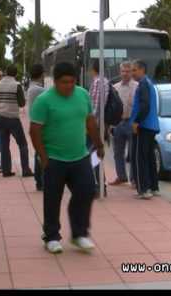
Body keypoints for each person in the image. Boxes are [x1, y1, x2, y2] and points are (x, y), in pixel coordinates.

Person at [29, 62, 104, 254]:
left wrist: (99, 144)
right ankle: (52, 237)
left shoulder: (82, 94)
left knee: (86, 192)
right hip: (54, 158)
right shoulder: (44, 101)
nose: (69, 86)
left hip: (80, 156)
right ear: (55, 82)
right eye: (64, 82)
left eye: (72, 82)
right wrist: (43, 157)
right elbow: (34, 131)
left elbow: (89, 121)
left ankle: (79, 234)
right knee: (52, 198)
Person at [129, 59, 161, 200]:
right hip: (151, 125)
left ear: (142, 70)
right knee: (149, 157)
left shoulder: (143, 85)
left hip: (144, 126)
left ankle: (143, 188)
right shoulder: (149, 83)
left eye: (134, 70)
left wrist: (136, 121)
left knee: (139, 158)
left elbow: (145, 105)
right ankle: (153, 187)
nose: (132, 73)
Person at [0, 64, 34, 177]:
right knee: (23, 144)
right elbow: (22, 103)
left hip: (1, 117)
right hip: (13, 118)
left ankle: (6, 171)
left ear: (6, 72)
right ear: (16, 74)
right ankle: (26, 169)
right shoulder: (16, 85)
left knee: (4, 145)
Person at [110, 61, 138, 186]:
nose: (125, 73)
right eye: (123, 71)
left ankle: (134, 179)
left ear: (132, 72)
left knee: (133, 153)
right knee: (117, 153)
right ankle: (121, 177)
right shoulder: (115, 87)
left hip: (132, 122)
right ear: (120, 72)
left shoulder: (137, 86)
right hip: (118, 123)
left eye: (128, 71)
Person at [88, 59, 109, 198]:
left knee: (93, 154)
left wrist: (88, 123)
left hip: (95, 125)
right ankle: (101, 184)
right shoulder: (106, 81)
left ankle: (99, 185)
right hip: (102, 123)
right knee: (96, 154)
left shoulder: (97, 82)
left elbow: (94, 107)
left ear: (93, 69)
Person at [27, 63, 46, 191]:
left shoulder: (31, 87)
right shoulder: (39, 90)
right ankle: (42, 180)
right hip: (42, 124)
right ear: (41, 75)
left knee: (38, 151)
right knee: (42, 152)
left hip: (35, 123)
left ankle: (39, 180)